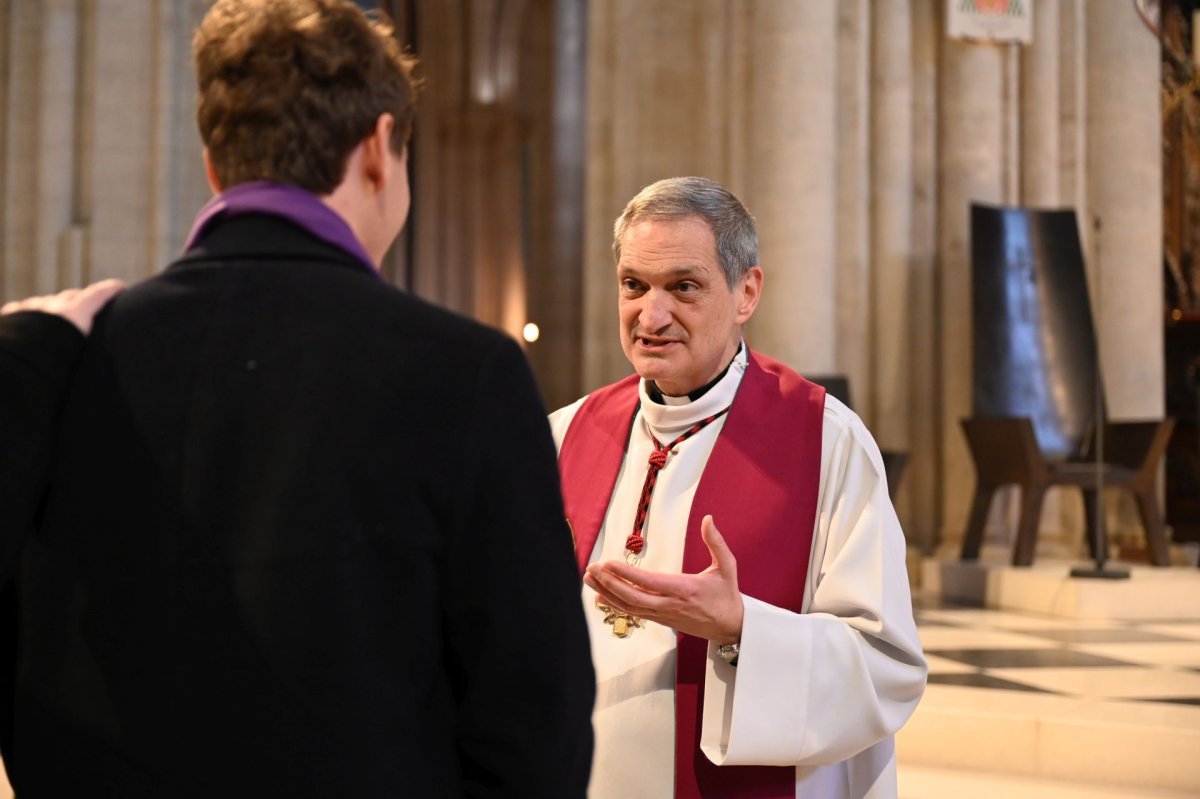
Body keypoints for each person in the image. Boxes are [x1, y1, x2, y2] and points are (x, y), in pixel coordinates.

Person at [0, 1, 593, 796]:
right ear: (381, 149)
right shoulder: (464, 373)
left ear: (217, 166)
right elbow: (534, 727)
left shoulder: (61, 365)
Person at [550, 176, 926, 799]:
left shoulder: (826, 441)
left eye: (684, 287)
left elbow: (885, 667)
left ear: (746, 291)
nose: (652, 314)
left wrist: (742, 628)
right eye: (633, 285)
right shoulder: (563, 435)